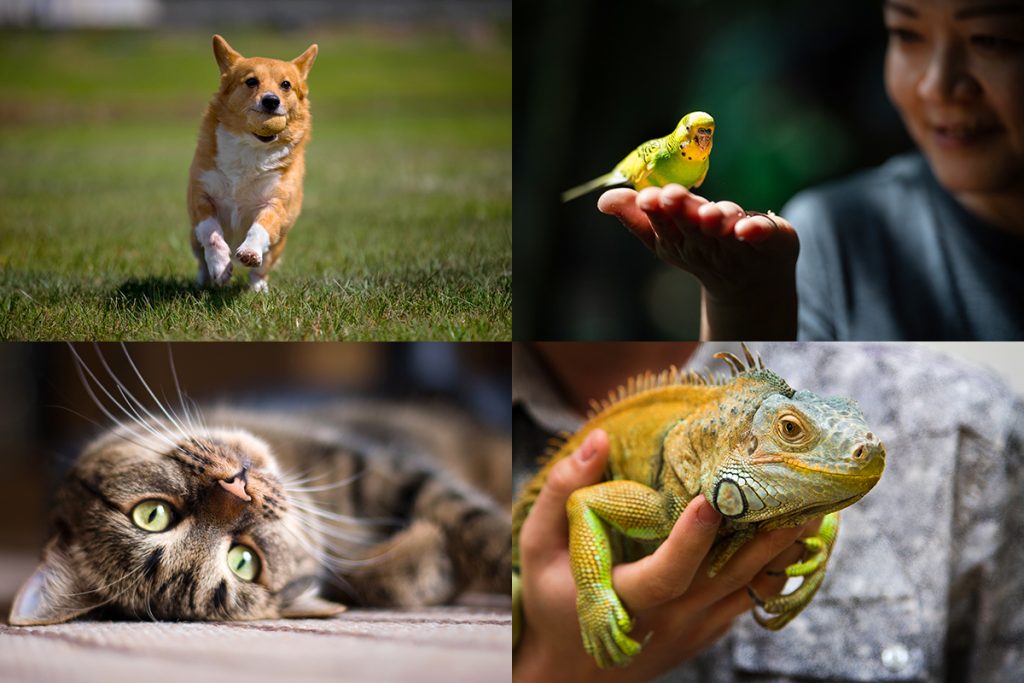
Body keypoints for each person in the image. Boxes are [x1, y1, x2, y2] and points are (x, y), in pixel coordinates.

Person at [512, 342, 1024, 682]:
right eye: (792, 433)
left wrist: (819, 540)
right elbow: (586, 502)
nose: (865, 451)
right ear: (738, 444)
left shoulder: (970, 420)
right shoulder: (666, 504)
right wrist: (580, 621)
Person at [598, 0, 1024, 340]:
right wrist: (740, 303)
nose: (935, 85)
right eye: (907, 34)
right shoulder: (835, 237)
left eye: (990, 39)